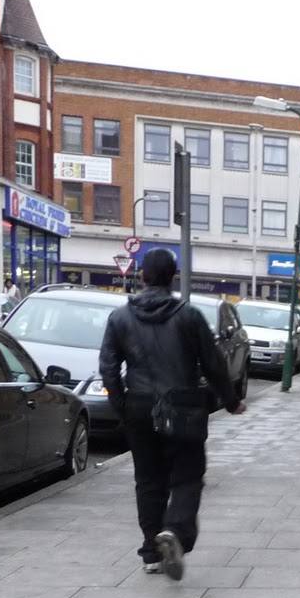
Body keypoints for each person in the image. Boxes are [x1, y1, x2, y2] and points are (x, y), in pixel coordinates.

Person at [98, 248, 245, 581]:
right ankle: (175, 531)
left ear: (142, 276)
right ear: (173, 277)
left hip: (139, 406)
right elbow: (214, 364)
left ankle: (151, 552)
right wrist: (231, 401)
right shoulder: (189, 316)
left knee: (148, 481)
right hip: (184, 408)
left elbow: (108, 367)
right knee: (188, 477)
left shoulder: (119, 318)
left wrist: (122, 406)